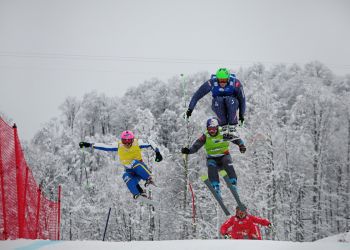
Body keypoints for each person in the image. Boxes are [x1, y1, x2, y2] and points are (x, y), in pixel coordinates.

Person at [79, 130, 163, 199]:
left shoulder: (137, 143)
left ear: (132, 140)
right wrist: (89, 145)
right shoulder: (119, 145)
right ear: (122, 141)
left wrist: (157, 153)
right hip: (130, 172)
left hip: (140, 169)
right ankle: (139, 193)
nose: (126, 144)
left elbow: (150, 142)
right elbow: (105, 146)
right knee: (125, 176)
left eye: (129, 141)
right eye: (124, 141)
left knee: (134, 162)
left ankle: (148, 178)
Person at [181, 117, 246, 198]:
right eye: (210, 129)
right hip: (212, 158)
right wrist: (188, 151)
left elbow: (236, 139)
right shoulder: (205, 136)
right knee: (211, 166)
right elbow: (196, 146)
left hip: (224, 156)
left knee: (227, 162)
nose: (212, 131)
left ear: (217, 128)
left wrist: (241, 145)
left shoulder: (223, 133)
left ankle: (233, 182)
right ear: (207, 129)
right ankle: (216, 186)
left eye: (214, 129)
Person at [185, 68, 246, 139]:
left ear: (228, 79)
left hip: (232, 104)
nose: (222, 83)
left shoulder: (236, 83)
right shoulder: (211, 83)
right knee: (219, 100)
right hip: (218, 105)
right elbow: (197, 96)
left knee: (230, 100)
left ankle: (232, 127)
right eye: (220, 80)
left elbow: (242, 99)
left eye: (224, 80)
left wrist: (241, 115)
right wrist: (190, 109)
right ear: (217, 79)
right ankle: (224, 127)